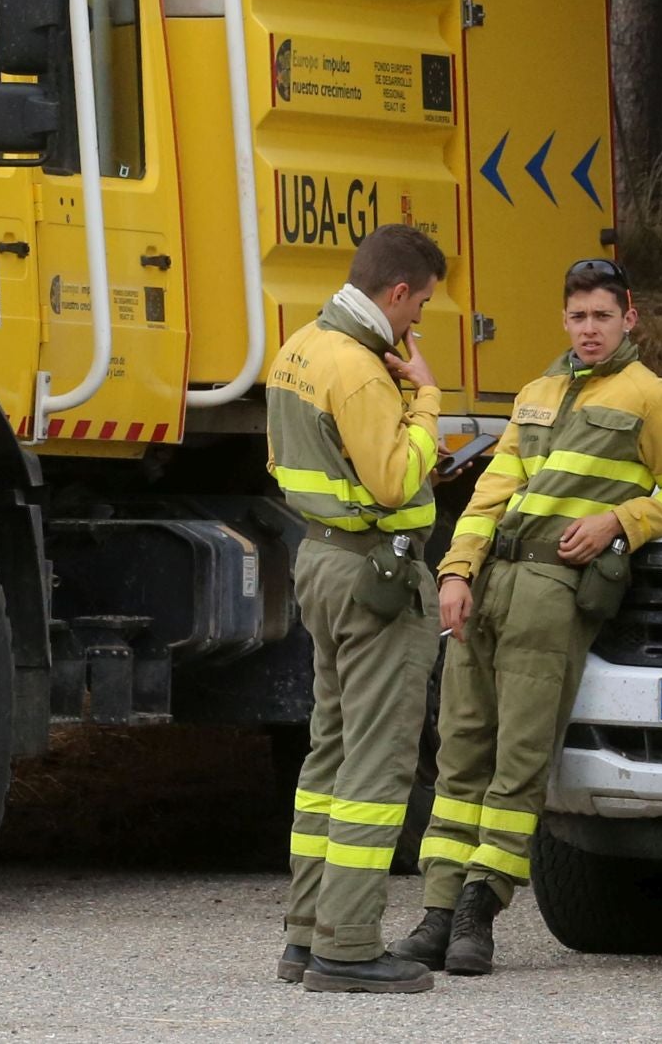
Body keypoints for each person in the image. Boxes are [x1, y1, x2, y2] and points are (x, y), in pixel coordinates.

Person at [389, 258, 662, 976]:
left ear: (629, 317)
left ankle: (479, 911)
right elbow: (492, 487)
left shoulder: (649, 396)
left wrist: (620, 521)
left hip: (554, 587)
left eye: (602, 315)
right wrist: (455, 569)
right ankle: (435, 912)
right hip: (493, 579)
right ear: (564, 320)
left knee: (520, 757)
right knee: (461, 751)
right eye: (578, 316)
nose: (589, 329)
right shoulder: (537, 391)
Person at [265, 224, 448, 994]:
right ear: (396, 292)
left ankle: (306, 936)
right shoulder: (362, 371)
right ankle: (348, 946)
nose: (417, 326)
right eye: (420, 306)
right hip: (375, 576)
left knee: (329, 755)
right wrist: (428, 403)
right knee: (376, 763)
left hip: (319, 561)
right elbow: (395, 481)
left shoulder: (299, 347)